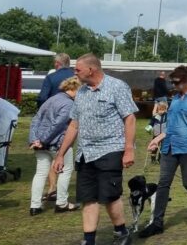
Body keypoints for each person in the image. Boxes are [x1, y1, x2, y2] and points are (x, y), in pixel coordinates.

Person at [53, 53, 138, 245]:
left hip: (110, 149)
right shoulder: (81, 93)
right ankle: (88, 240)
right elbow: (74, 125)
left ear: (91, 69)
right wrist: (60, 155)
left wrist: (129, 150)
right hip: (85, 153)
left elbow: (130, 118)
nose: (75, 72)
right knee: (88, 198)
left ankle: (121, 232)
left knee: (109, 196)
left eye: (78, 69)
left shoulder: (117, 87)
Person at [137, 65, 187, 237]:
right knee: (163, 184)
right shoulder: (176, 100)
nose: (173, 85)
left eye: (175, 82)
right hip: (170, 147)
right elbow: (171, 125)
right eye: (172, 82)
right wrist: (157, 139)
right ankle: (157, 223)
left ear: (186, 80)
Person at [28, 76, 81, 215]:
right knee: (65, 170)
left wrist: (35, 140)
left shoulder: (50, 100)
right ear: (76, 89)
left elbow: (36, 119)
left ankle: (35, 205)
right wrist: (44, 140)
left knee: (40, 173)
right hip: (56, 144)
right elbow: (57, 125)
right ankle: (62, 203)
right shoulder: (69, 104)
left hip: (40, 144)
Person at [36, 52, 74, 202]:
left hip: (51, 119)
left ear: (57, 64)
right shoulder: (76, 77)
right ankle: (59, 191)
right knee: (64, 151)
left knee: (50, 151)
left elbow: (42, 98)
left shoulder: (51, 78)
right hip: (72, 120)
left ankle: (52, 187)